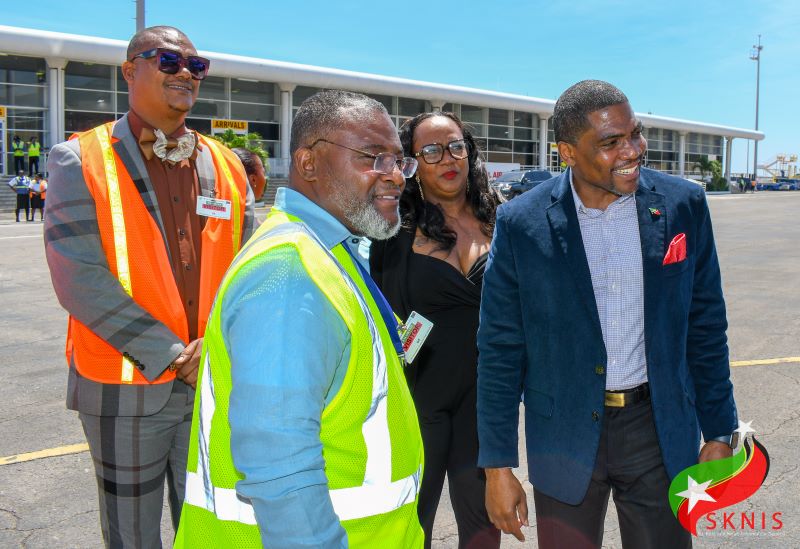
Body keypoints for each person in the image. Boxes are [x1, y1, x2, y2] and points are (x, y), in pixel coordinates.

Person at [477, 80, 737, 548]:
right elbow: (500, 348)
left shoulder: (683, 204)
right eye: (611, 142)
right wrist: (497, 466)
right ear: (567, 153)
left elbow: (705, 328)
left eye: (635, 134)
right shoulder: (521, 223)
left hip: (658, 432)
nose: (632, 150)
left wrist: (719, 431)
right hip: (563, 434)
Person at [175, 90, 425, 548]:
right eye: (373, 157)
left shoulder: (328, 250)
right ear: (308, 163)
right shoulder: (289, 273)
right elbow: (278, 462)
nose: (394, 176)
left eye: (398, 160)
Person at [44, 25, 255, 548]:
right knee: (132, 537)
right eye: (167, 61)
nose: (185, 72)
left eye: (196, 65)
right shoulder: (78, 158)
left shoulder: (227, 164)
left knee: (209, 532)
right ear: (129, 70)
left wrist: (216, 346)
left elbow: (250, 270)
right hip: (123, 388)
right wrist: (171, 353)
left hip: (210, 382)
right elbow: (78, 278)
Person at [370, 111, 500, 548]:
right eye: (431, 150)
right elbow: (382, 319)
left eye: (456, 146)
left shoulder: (500, 220)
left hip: (484, 400)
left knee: (483, 526)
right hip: (417, 398)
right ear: (412, 164)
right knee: (412, 523)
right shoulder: (393, 231)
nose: (447, 158)